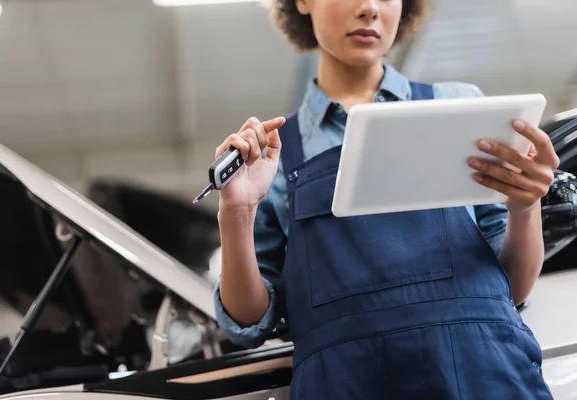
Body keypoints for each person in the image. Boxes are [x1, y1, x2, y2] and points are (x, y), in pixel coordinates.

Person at [212, 0, 559, 398]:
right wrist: (236, 212)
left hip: (485, 374)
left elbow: (511, 288)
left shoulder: (460, 107)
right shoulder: (273, 155)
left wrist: (524, 206)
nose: (370, 9)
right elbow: (247, 321)